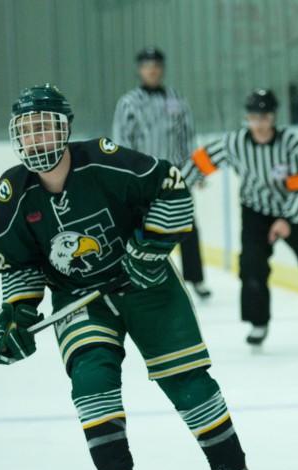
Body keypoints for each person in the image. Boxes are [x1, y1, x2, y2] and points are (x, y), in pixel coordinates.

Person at [0, 84, 262, 470]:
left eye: (44, 129)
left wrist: (146, 253)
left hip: (147, 285)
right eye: (28, 131)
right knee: (91, 378)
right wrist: (16, 318)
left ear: (65, 129)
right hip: (80, 297)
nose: (37, 140)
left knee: (186, 380)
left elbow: (172, 190)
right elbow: (19, 264)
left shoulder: (104, 159)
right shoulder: (13, 191)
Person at [181, 89, 298, 346]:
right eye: (254, 117)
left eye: (264, 117)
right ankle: (258, 322)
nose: (259, 123)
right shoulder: (235, 143)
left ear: (273, 117)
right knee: (251, 264)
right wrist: (179, 188)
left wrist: (285, 219)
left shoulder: (290, 143)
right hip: (255, 212)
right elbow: (200, 162)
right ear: (247, 118)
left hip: (292, 211)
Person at [112, 47, 210, 300]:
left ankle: (195, 279)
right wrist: (126, 177)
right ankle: (136, 274)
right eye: (147, 65)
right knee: (139, 227)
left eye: (156, 64)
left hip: (175, 176)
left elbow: (188, 137)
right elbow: (122, 141)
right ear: (139, 69)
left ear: (162, 68)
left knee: (187, 226)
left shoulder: (177, 99)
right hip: (142, 178)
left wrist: (195, 172)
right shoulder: (128, 102)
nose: (152, 69)